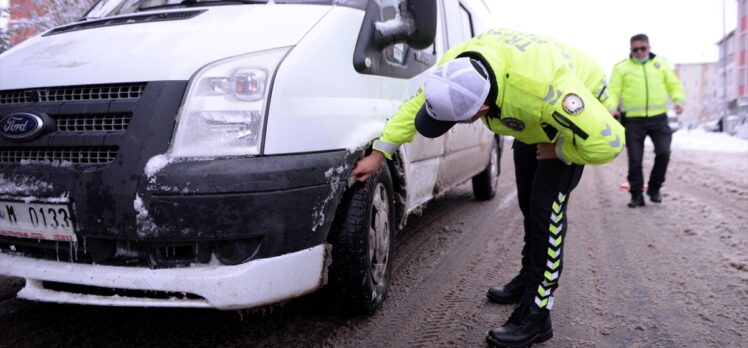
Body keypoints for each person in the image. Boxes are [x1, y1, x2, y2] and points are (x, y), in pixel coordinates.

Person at [350, 29, 625, 347]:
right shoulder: (456, 69)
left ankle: (538, 314)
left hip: (572, 114)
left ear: (481, 111)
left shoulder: (546, 93)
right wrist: (380, 151)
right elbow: (416, 107)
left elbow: (610, 142)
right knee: (527, 201)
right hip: (525, 111)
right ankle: (527, 279)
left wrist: (561, 150)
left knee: (544, 212)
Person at [607, 34, 685, 208]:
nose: (639, 52)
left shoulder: (661, 64)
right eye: (635, 49)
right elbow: (612, 90)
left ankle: (654, 188)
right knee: (635, 160)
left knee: (664, 153)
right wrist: (611, 107)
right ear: (631, 50)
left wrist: (678, 100)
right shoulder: (621, 68)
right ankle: (636, 195)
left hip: (659, 119)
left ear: (649, 47)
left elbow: (673, 85)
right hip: (634, 121)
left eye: (643, 48)